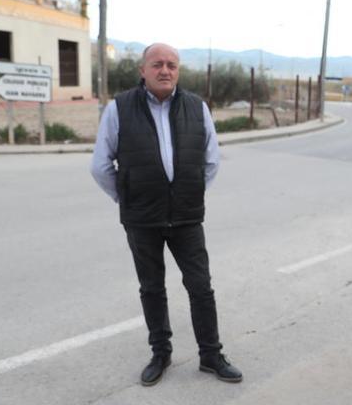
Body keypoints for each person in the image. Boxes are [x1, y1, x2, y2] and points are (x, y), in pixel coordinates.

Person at [90, 43, 241, 386]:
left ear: (178, 71)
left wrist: (185, 195)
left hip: (186, 218)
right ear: (142, 70)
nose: (165, 70)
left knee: (201, 287)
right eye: (157, 64)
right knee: (152, 288)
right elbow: (100, 165)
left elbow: (211, 161)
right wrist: (128, 199)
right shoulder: (120, 109)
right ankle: (161, 353)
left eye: (172, 65)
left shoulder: (196, 107)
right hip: (142, 220)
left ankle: (210, 355)